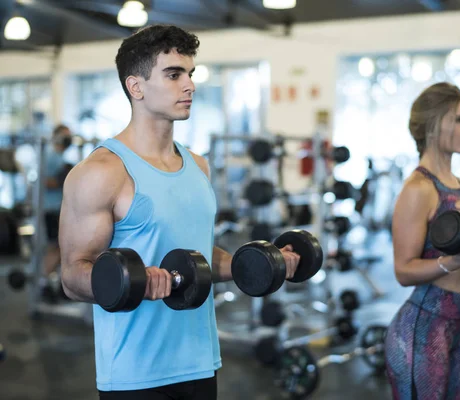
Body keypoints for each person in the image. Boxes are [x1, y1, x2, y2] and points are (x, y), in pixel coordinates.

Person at [59, 25, 301, 400]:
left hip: (200, 362)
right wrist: (136, 281)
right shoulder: (101, 172)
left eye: (190, 74)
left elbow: (199, 258)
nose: (189, 85)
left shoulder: (198, 166)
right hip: (134, 374)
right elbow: (73, 275)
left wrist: (258, 263)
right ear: (135, 87)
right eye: (174, 75)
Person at [384, 82, 460, 399]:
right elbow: (403, 270)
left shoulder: (459, 184)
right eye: (458, 119)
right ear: (433, 126)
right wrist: (453, 262)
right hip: (424, 332)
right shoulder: (419, 188)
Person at [40, 124, 72, 301]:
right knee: (55, 249)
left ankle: (61, 285)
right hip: (51, 209)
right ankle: (42, 285)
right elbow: (45, 181)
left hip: (61, 209)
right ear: (56, 137)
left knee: (64, 249)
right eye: (64, 136)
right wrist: (63, 179)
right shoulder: (51, 156)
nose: (68, 139)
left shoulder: (60, 157)